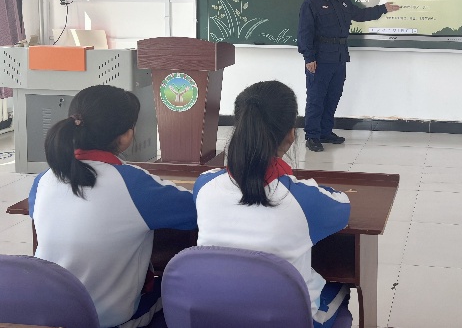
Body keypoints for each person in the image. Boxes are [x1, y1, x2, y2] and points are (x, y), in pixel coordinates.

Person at [28, 84, 198, 328]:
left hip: (47, 316)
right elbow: (197, 210)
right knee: (181, 286)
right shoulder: (132, 183)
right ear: (126, 135)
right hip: (110, 320)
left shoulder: (43, 179)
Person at [193, 80, 352, 328]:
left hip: (215, 316)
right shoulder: (302, 198)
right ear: (290, 135)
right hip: (289, 320)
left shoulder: (203, 185)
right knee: (341, 287)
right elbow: (343, 206)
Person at [297, 0, 400, 152]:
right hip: (320, 58)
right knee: (316, 98)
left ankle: (325, 132)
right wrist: (309, 57)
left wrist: (383, 8)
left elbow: (361, 14)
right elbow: (305, 32)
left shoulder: (342, 2)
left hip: (339, 57)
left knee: (333, 96)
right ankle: (312, 136)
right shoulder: (311, 3)